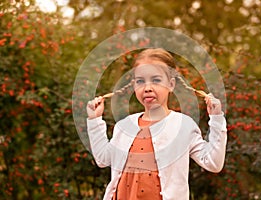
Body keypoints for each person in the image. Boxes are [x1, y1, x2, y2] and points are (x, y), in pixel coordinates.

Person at [86, 48, 227, 200]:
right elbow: (102, 159)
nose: (147, 88)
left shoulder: (183, 126)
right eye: (140, 81)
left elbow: (213, 162)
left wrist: (217, 118)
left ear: (171, 85)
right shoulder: (124, 126)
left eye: (156, 80)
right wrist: (94, 120)